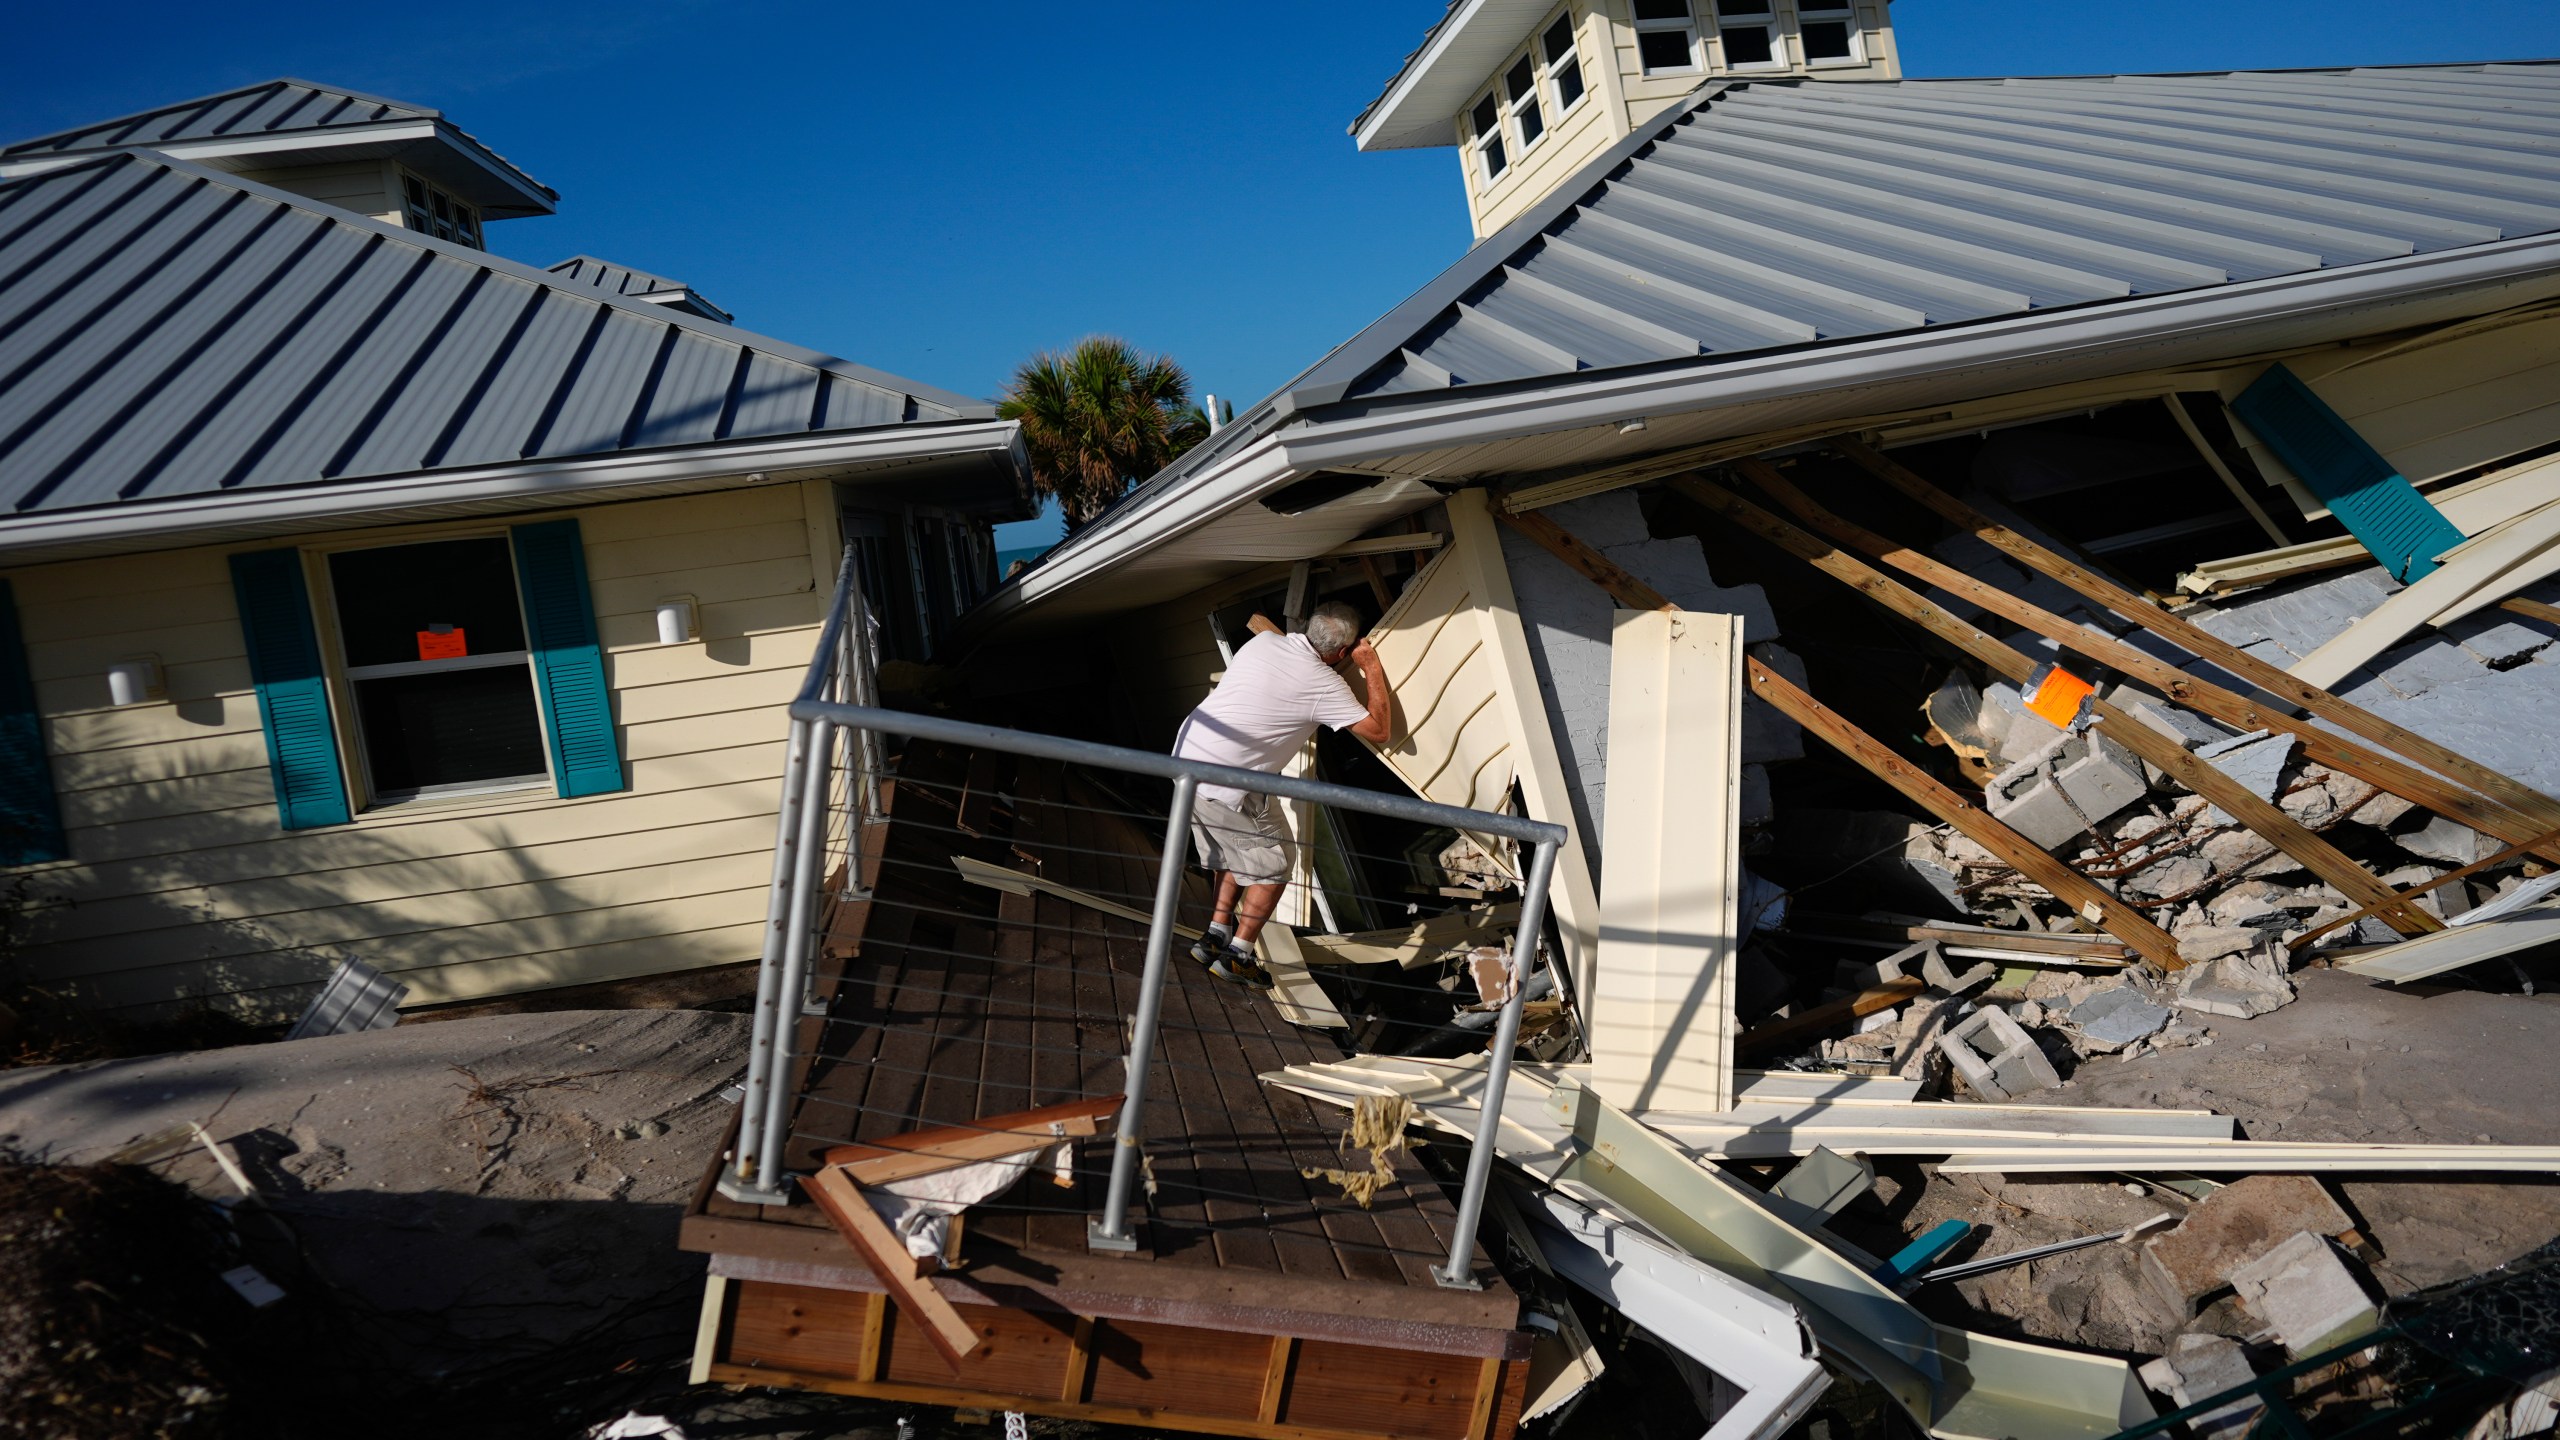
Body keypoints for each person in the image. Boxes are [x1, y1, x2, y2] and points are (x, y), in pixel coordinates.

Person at [1171, 601, 1393, 988]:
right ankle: (1238, 956)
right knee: (1273, 867)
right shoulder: (1325, 684)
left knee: (1235, 853)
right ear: (1342, 653)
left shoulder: (1263, 644)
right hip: (1230, 782)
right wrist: (1370, 666)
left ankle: (1215, 936)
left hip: (1187, 764)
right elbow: (1378, 730)